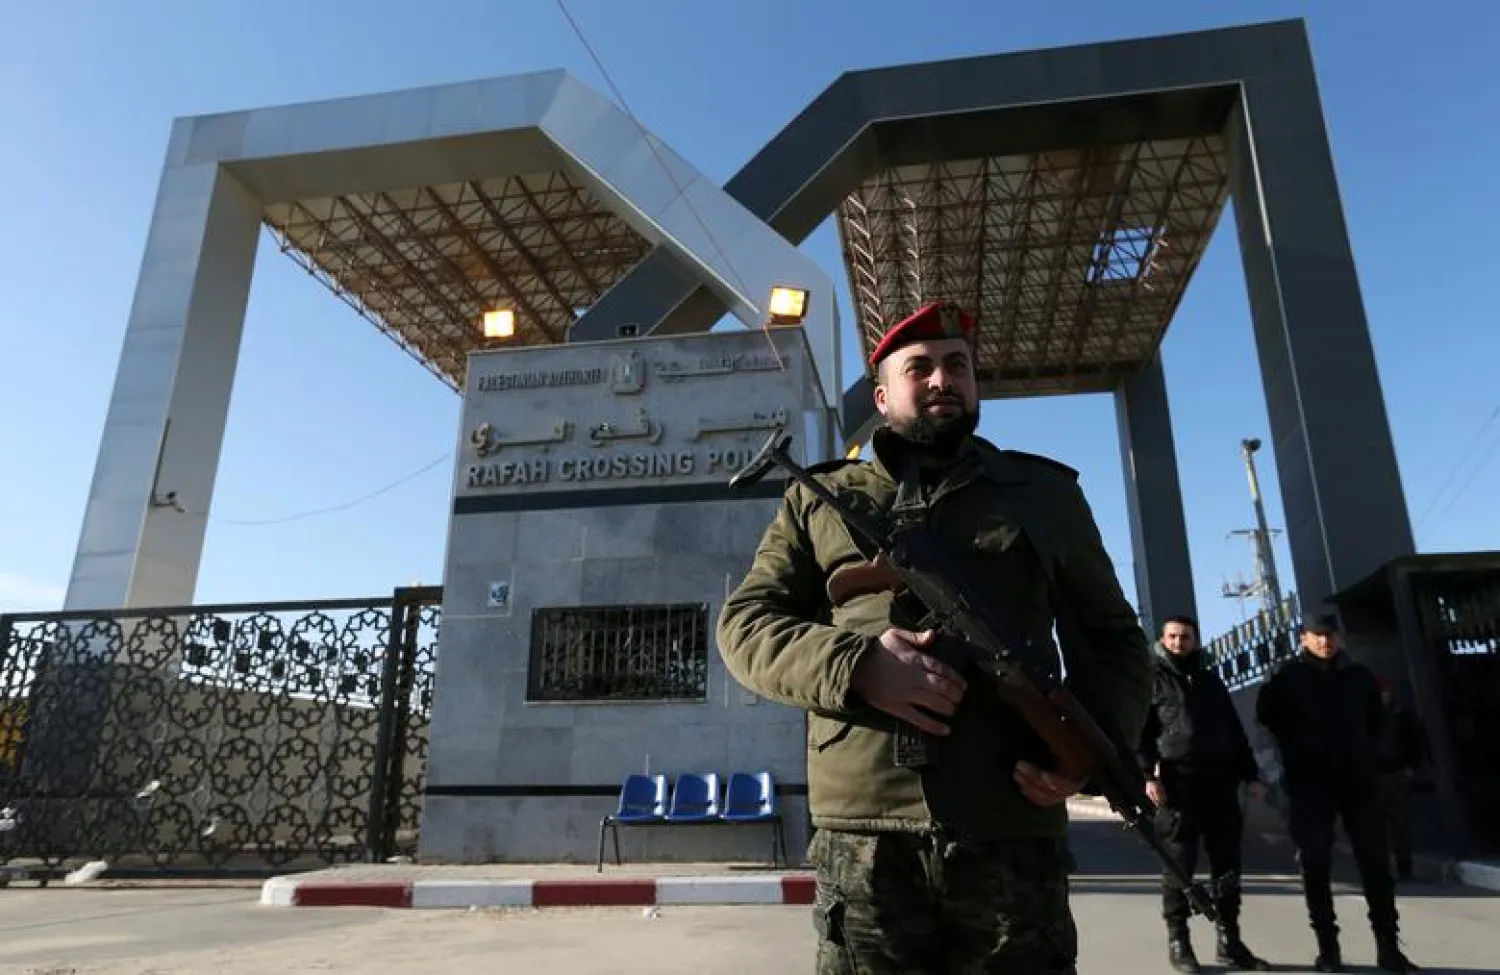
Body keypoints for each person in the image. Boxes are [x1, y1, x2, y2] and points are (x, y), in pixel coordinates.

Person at [717, 301, 1154, 974]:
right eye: (918, 367)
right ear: (884, 393)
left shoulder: (1042, 494)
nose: (942, 379)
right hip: (866, 836)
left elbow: (1115, 640)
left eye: (957, 365)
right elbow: (745, 625)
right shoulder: (821, 497)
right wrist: (857, 665)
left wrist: (1090, 750)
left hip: (1011, 826)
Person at [1255, 614, 1419, 973]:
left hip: (1359, 783)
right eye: (1317, 636)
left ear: (1339, 639)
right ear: (1304, 639)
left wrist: (1366, 755)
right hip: (1309, 784)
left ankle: (1389, 948)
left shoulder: (1358, 678)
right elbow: (1267, 718)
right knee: (1315, 864)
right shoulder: (1286, 678)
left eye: (1330, 636)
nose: (1325, 642)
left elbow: (1376, 722)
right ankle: (1328, 950)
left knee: (1376, 865)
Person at [1138, 614, 1270, 973]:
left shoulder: (1211, 682)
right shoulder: (1152, 681)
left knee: (1227, 866)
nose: (1179, 642)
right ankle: (1179, 940)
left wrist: (1251, 774)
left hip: (1221, 784)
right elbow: (1142, 735)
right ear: (1163, 640)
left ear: (1196, 640)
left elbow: (1234, 730)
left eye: (1186, 636)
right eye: (1173, 637)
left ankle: (1230, 941)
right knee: (1179, 865)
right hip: (1178, 786)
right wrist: (1148, 775)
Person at [1374, 676, 1426, 882]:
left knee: (1401, 825)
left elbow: (1415, 743)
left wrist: (1411, 768)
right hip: (1374, 778)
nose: (1383, 697)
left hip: (1397, 776)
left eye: (1385, 693)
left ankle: (1405, 868)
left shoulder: (1402, 716)